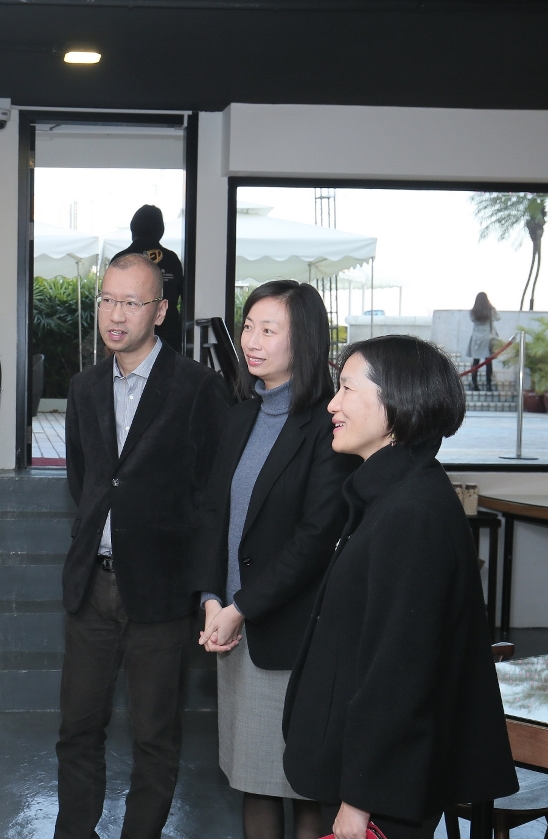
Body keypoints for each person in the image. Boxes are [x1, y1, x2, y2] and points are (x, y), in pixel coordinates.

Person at [282, 335, 518, 839]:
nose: (333, 403)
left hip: (379, 793)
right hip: (366, 778)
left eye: (346, 388)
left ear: (396, 401)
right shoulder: (392, 492)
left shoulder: (411, 513)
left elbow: (399, 674)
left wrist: (360, 801)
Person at [56, 252, 229, 839]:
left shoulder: (198, 388)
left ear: (160, 311)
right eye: (107, 299)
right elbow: (85, 482)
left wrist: (205, 586)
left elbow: (210, 497)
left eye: (132, 302)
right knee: (77, 729)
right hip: (92, 587)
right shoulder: (82, 388)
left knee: (155, 737)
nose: (115, 314)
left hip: (159, 588)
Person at [192, 281, 360, 839]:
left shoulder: (325, 425)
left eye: (269, 329)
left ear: (304, 339)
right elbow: (214, 515)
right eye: (248, 327)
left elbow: (315, 539)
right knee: (253, 782)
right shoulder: (240, 416)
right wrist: (212, 599)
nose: (252, 341)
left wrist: (239, 608)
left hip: (292, 634)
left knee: (303, 791)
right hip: (235, 631)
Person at [111, 205, 186, 352]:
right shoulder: (171, 259)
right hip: (169, 334)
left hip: (130, 332)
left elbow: (112, 300)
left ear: (134, 228)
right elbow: (183, 298)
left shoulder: (121, 259)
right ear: (160, 230)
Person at [466, 292, 500, 391]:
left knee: (475, 362)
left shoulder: (472, 312)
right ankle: (488, 385)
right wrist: (491, 306)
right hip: (487, 338)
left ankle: (474, 384)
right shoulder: (490, 311)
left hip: (476, 338)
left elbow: (473, 320)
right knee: (488, 362)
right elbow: (498, 318)